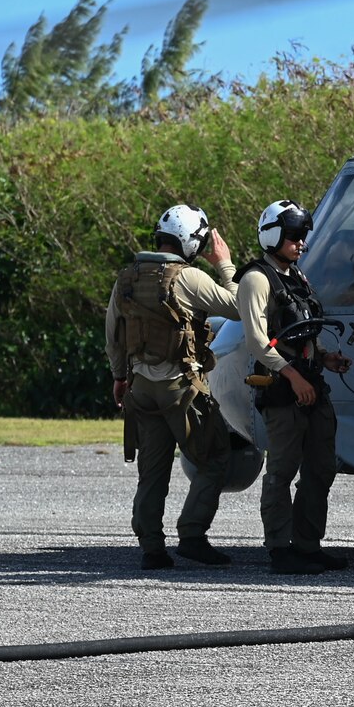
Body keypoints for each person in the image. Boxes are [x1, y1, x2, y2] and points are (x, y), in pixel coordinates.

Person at [104, 204, 241, 569]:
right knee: (214, 459)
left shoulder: (126, 279)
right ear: (191, 242)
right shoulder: (188, 278)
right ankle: (193, 535)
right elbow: (243, 307)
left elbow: (113, 335)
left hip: (140, 388)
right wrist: (224, 264)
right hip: (180, 388)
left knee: (152, 470)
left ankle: (152, 548)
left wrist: (119, 377)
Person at [236, 199, 354, 576]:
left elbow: (301, 331)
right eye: (293, 237)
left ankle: (307, 544)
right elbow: (258, 340)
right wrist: (294, 375)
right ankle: (279, 548)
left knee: (321, 468)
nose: (301, 243)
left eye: (303, 237)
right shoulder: (256, 279)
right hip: (282, 389)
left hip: (310, 383)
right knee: (282, 471)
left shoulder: (298, 277)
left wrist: (324, 358)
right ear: (273, 236)